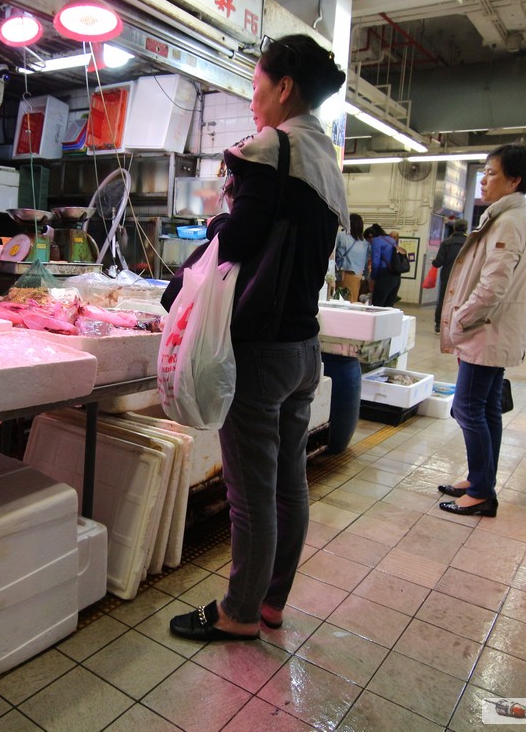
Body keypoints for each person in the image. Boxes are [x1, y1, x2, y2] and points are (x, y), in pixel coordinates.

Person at [167, 34, 347, 642]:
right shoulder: (326, 157)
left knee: (249, 495)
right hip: (303, 349)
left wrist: (210, 234)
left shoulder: (271, 147)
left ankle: (239, 613)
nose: (252, 100)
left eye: (256, 86)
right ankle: (270, 605)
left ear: (284, 88)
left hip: (261, 350)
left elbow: (237, 244)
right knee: (288, 486)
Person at [437, 143, 526, 517]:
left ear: (514, 180)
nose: (484, 180)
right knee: (487, 407)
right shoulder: (506, 216)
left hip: (486, 331)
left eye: (492, 173)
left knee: (467, 408)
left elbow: (493, 285)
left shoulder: (509, 220)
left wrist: (462, 319)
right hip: (489, 330)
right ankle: (481, 479)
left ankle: (481, 491)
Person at [432, 218, 468, 332]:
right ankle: (458, 325)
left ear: (454, 228)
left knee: (443, 300)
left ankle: (439, 324)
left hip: (447, 277)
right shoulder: (470, 242)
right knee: (462, 301)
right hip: (464, 277)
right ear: (466, 229)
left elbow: (438, 263)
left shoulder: (446, 243)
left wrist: (434, 261)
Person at [334, 213, 368, 303]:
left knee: (339, 301)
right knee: (352, 302)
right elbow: (366, 261)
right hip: (358, 277)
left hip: (343, 275)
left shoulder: (341, 236)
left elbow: (332, 253)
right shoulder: (364, 242)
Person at [368, 226, 401, 307]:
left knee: (377, 306)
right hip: (396, 277)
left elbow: (375, 262)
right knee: (388, 307)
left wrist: (373, 278)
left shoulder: (376, 241)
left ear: (371, 236)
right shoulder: (392, 241)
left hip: (384, 276)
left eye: (368, 241)